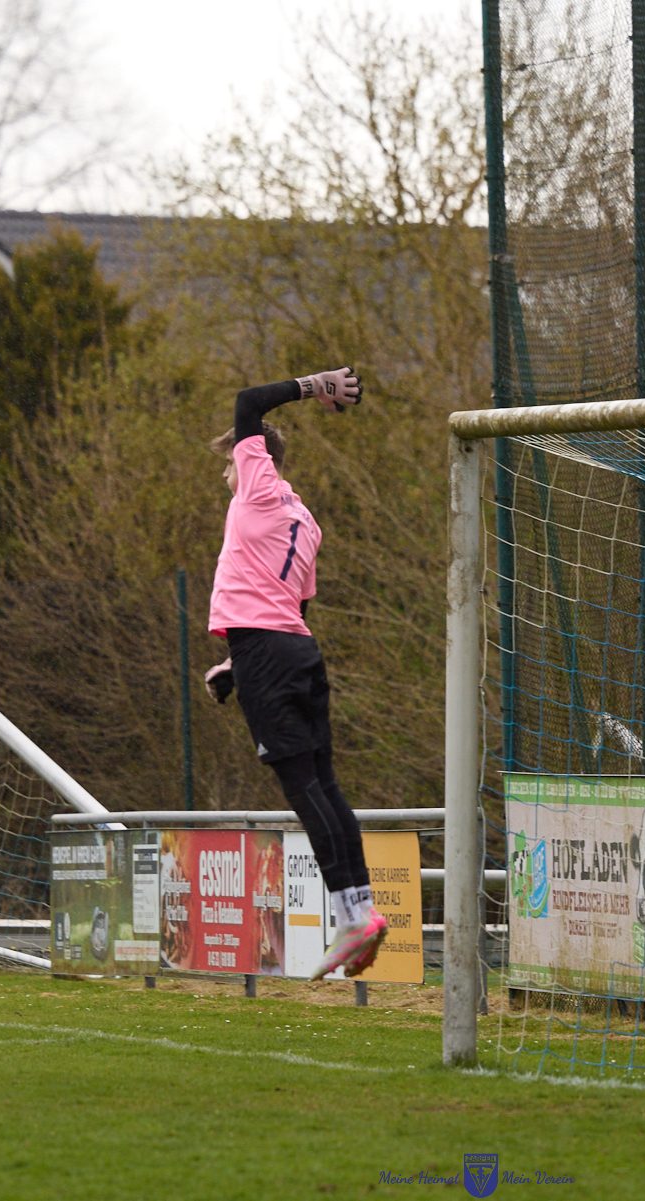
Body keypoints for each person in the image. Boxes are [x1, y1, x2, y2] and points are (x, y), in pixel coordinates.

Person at [202, 367, 387, 980]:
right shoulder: (306, 520)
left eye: (230, 461)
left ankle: (351, 918)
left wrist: (317, 385)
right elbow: (296, 608)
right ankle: (361, 909)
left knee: (302, 787)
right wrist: (236, 663)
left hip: (267, 654)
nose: (226, 474)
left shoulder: (256, 488)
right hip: (296, 651)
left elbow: (247, 401)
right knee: (325, 783)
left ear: (254, 457)